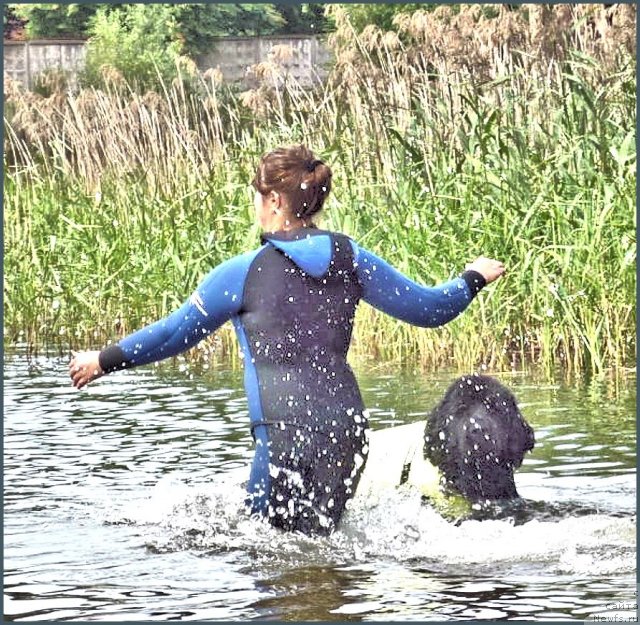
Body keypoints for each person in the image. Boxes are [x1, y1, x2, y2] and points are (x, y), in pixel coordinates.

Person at [69, 144, 505, 536]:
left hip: (285, 437)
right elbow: (429, 309)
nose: (256, 208)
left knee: (267, 556)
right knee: (324, 555)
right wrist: (473, 278)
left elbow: (173, 333)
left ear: (275, 200)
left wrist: (104, 359)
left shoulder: (242, 272)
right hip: (347, 434)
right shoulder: (352, 258)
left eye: (258, 198)